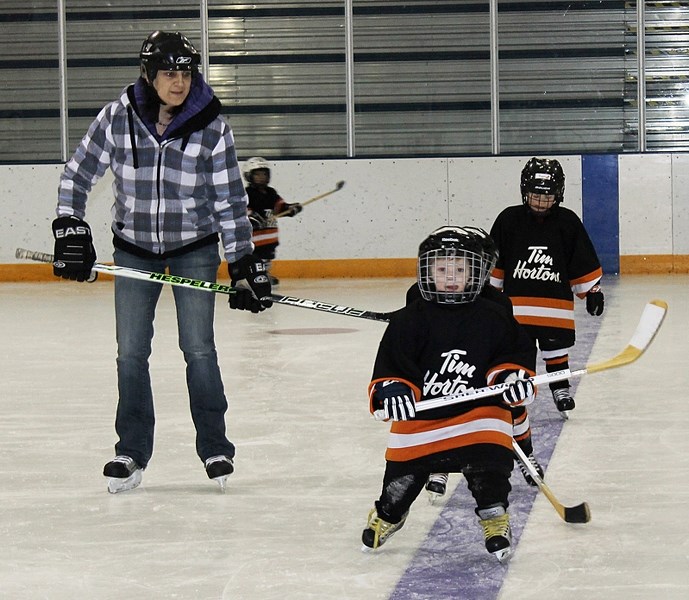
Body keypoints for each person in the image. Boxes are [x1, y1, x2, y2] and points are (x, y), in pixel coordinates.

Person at [51, 31, 272, 494]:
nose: (179, 82)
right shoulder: (117, 119)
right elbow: (78, 174)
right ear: (149, 76)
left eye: (186, 72)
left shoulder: (212, 126)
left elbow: (231, 201)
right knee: (131, 352)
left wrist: (242, 261)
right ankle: (130, 450)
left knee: (198, 349)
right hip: (132, 248)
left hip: (194, 249)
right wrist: (70, 225)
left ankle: (215, 446)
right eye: (169, 73)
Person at [362, 226, 537, 562]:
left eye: (461, 269)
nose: (451, 277)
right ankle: (389, 515)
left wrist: (512, 377)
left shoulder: (493, 314)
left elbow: (511, 354)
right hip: (425, 415)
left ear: (478, 273)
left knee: (489, 466)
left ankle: (495, 517)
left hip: (478, 412)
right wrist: (394, 388)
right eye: (442, 269)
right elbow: (393, 363)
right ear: (426, 271)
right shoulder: (410, 318)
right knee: (401, 482)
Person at [402, 227, 543, 500]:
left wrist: (508, 375)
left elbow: (508, 344)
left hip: (482, 371)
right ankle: (439, 466)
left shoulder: (497, 301)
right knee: (436, 406)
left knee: (512, 406)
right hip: (441, 370)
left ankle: (526, 454)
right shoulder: (418, 293)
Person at [489, 157, 604, 419]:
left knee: (556, 349)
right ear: (523, 191)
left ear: (559, 194)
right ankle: (518, 389)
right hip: (516, 308)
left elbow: (580, 258)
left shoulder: (568, 222)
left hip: (555, 305)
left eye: (547, 197)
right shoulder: (508, 219)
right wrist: (490, 293)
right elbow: (496, 259)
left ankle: (560, 388)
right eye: (535, 196)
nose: (541, 202)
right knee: (519, 350)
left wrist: (592, 291)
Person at [243, 157, 302, 286]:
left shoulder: (271, 192)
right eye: (257, 174)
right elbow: (241, 209)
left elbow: (279, 207)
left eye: (264, 174)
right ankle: (254, 276)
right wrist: (252, 216)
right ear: (249, 176)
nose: (261, 177)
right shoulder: (247, 193)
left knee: (267, 256)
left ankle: (264, 275)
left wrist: (290, 208)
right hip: (255, 237)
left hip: (270, 236)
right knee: (255, 257)